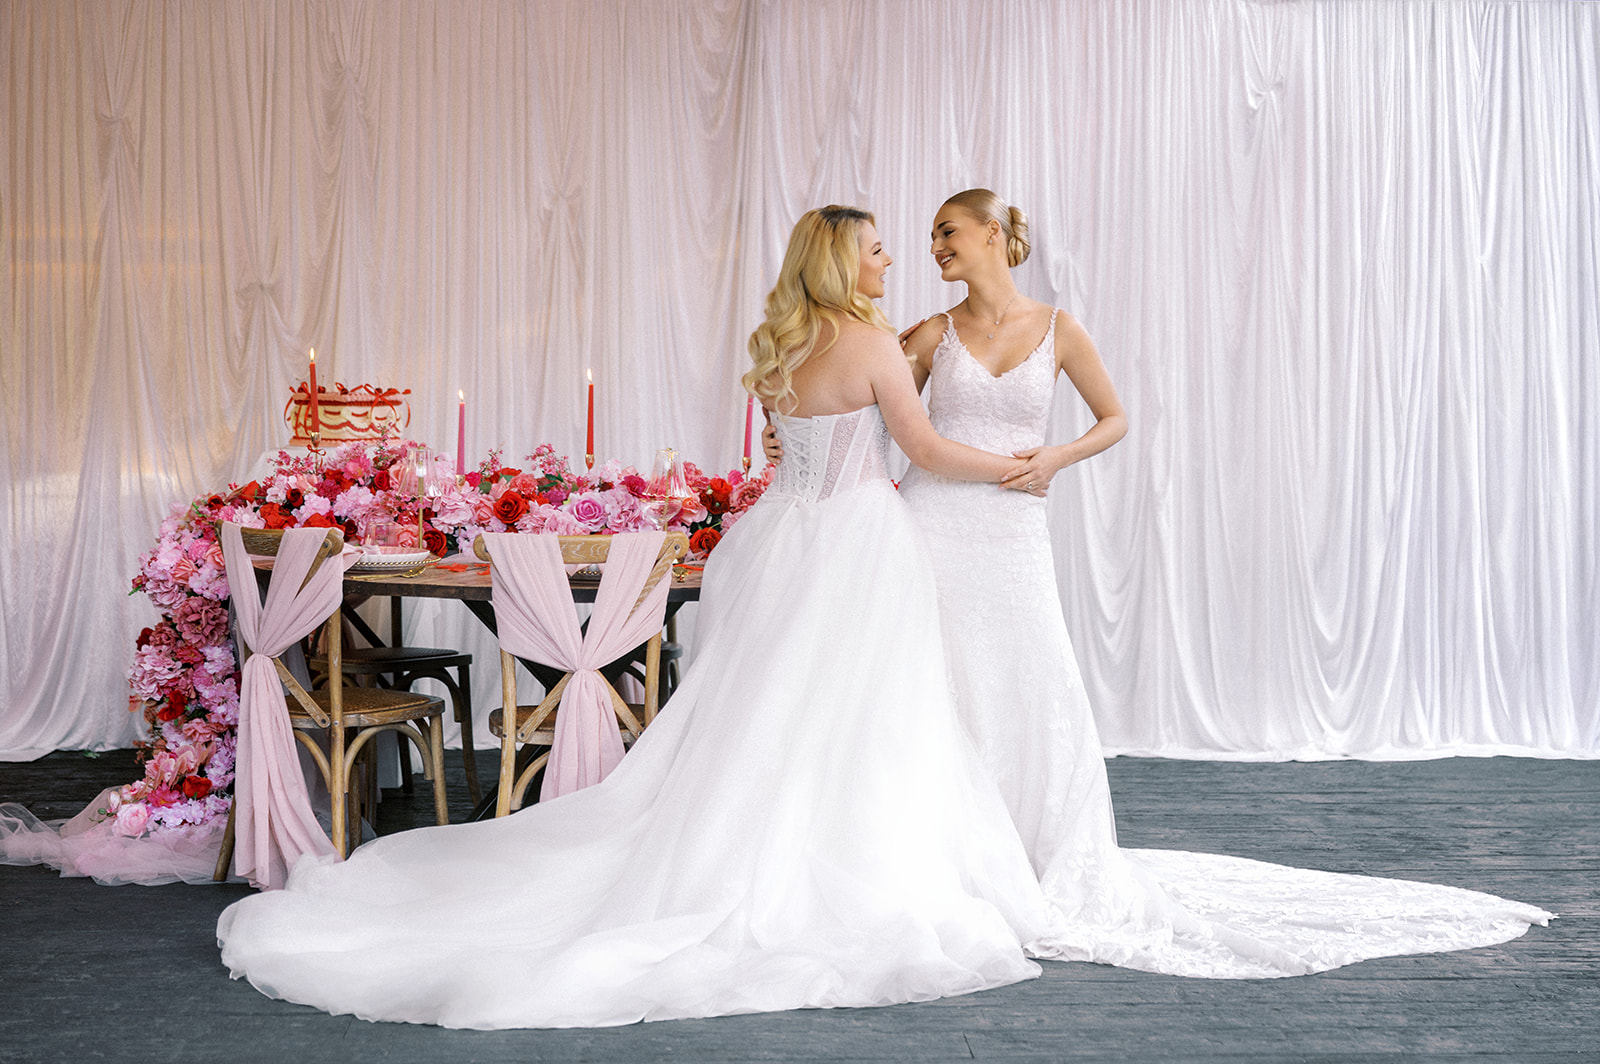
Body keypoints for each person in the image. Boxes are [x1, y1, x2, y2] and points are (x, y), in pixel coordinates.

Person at [215, 205, 1063, 1029]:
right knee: (865, 713)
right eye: (877, 249)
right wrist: (1012, 467)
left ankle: (759, 840)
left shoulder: (789, 346)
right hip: (859, 543)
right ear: (844, 262)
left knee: (768, 713)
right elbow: (920, 448)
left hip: (782, 541)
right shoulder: (875, 344)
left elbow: (788, 446)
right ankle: (846, 861)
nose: (889, 260)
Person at [768, 189, 1550, 977]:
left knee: (1036, 678)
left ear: (993, 235)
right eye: (927, 235)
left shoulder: (1059, 330)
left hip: (1014, 530)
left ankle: (1036, 852)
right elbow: (867, 408)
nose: (930, 246)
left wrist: (1054, 459)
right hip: (935, 525)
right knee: (936, 685)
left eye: (946, 231)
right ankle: (943, 851)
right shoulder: (927, 334)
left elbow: (1115, 418)